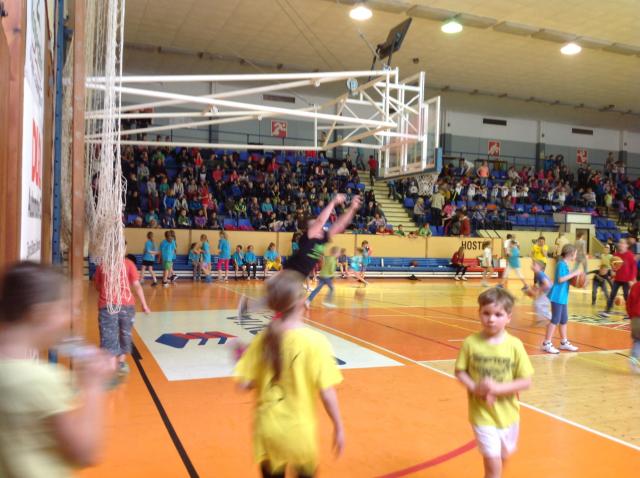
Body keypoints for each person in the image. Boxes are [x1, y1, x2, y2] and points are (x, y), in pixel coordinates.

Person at [0, 262, 114, 477]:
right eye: (66, 308)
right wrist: (92, 386)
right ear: (40, 314)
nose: (74, 316)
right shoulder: (42, 380)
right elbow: (85, 453)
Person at [234, 270, 344, 477]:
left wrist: (240, 361)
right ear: (303, 301)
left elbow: (245, 385)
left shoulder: (262, 341)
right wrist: (338, 426)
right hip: (299, 433)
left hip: (268, 432)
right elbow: (327, 392)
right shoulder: (316, 342)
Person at [455, 288, 533, 478]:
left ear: (508, 317)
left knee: (502, 455)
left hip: (508, 415)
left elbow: (525, 381)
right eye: (486, 313)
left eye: (498, 314)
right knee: (492, 461)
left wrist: (497, 389)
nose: (491, 319)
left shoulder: (515, 345)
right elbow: (460, 371)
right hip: (481, 414)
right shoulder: (470, 343)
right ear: (479, 313)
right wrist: (475, 388)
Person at [94, 254, 151, 376]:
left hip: (108, 305)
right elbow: (137, 285)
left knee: (109, 336)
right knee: (125, 333)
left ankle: (112, 366)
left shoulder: (102, 265)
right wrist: (144, 304)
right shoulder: (129, 263)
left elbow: (97, 286)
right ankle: (120, 363)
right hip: (125, 304)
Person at [542, 244, 581, 354]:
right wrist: (574, 273)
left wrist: (576, 280)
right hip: (557, 296)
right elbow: (560, 279)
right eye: (575, 254)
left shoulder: (565, 264)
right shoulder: (560, 264)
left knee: (564, 320)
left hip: (563, 296)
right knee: (555, 319)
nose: (576, 256)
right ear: (571, 254)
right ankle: (546, 343)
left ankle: (563, 342)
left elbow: (567, 280)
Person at [603, 239, 637, 318]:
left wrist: (631, 279)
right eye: (620, 243)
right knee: (612, 295)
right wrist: (612, 272)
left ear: (626, 245)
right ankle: (607, 311)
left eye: (623, 243)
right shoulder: (616, 255)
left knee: (626, 297)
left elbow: (634, 268)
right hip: (617, 279)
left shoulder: (630, 255)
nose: (621, 244)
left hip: (626, 280)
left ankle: (629, 313)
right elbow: (613, 267)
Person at [530, 260, 552, 327]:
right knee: (537, 303)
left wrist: (538, 290)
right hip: (547, 292)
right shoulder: (539, 274)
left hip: (548, 292)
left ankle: (553, 319)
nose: (532, 266)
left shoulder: (540, 274)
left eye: (534, 265)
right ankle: (541, 320)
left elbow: (547, 285)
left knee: (538, 304)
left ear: (539, 267)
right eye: (532, 264)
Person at [625, 281, 640, 373]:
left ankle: (633, 361)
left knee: (637, 341)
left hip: (635, 318)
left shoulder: (635, 286)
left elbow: (629, 303)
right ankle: (633, 362)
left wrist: (632, 316)